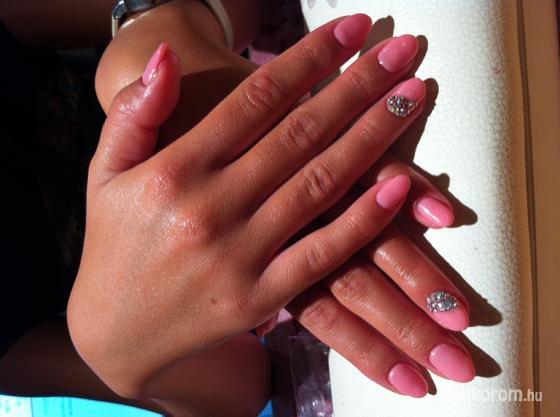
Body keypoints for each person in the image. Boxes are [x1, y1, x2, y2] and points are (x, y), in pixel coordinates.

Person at [0, 2, 475, 416]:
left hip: (268, 75)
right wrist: (118, 358)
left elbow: (241, 10)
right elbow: (250, 386)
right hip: (287, 293)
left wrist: (146, 37)